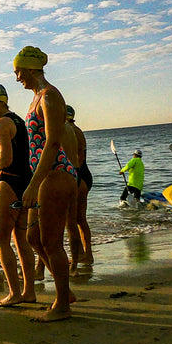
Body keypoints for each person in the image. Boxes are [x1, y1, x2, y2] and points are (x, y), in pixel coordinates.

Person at [14, 45, 78, 322]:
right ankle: (66, 292)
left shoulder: (50, 96)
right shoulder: (35, 100)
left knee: (51, 242)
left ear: (30, 68)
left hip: (56, 174)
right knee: (32, 238)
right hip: (43, 176)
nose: (17, 78)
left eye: (18, 72)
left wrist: (32, 184)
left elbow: (52, 143)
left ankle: (62, 305)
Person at [0, 83, 35, 307]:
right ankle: (29, 291)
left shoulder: (2, 123)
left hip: (10, 181)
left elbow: (6, 160)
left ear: (2, 100)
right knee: (21, 240)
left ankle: (14, 292)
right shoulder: (19, 121)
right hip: (26, 182)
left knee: (0, 239)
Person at [65, 105, 93, 268]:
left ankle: (77, 258)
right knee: (80, 219)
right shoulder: (77, 130)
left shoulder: (68, 130)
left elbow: (79, 157)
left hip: (77, 176)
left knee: (72, 221)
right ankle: (85, 255)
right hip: (84, 175)